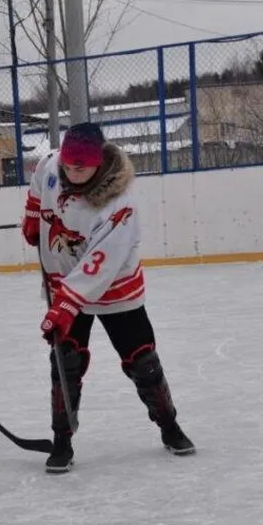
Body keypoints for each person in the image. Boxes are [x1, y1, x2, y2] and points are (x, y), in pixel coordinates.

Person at [22, 122, 196, 474]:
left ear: (99, 162)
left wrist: (66, 305)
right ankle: (62, 439)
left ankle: (169, 426)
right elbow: (40, 187)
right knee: (64, 360)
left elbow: (99, 265)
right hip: (64, 279)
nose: (73, 172)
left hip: (115, 287)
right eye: (69, 165)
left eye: (81, 167)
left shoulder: (118, 203)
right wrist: (31, 216)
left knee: (143, 362)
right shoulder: (51, 165)